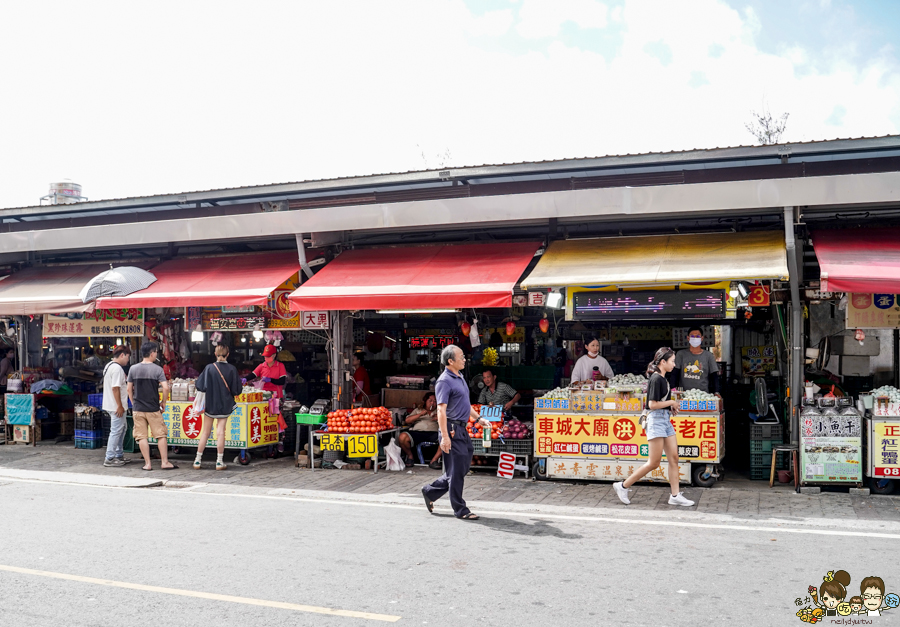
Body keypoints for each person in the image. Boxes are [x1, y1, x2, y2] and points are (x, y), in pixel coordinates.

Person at [613, 347, 694, 507]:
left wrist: (670, 407)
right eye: (672, 361)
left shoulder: (663, 378)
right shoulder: (657, 379)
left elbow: (658, 403)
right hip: (656, 421)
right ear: (663, 362)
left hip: (664, 419)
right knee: (654, 462)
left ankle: (675, 495)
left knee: (674, 458)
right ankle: (623, 486)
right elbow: (652, 404)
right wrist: (671, 402)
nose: (674, 364)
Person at [421, 345, 491, 520]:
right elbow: (441, 411)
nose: (464, 359)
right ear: (450, 361)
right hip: (451, 429)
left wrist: (478, 419)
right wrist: (444, 436)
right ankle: (461, 509)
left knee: (461, 468)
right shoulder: (444, 381)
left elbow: (465, 406)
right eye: (461, 357)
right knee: (457, 470)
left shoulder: (459, 377)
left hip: (462, 428)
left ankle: (429, 491)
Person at [127, 341, 175, 471]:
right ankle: (164, 462)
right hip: (153, 408)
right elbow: (165, 387)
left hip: (138, 408)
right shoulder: (157, 369)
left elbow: (129, 389)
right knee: (160, 435)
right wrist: (163, 402)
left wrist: (133, 402)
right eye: (156, 352)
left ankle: (147, 464)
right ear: (152, 353)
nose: (156, 354)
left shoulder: (133, 368)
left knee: (142, 436)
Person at [194, 344, 242, 471]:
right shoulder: (232, 369)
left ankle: (197, 460)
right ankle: (219, 462)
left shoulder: (209, 368)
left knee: (205, 432)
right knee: (221, 432)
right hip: (225, 405)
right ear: (228, 354)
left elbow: (199, 385)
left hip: (210, 404)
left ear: (215, 354)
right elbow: (237, 390)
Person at [244, 344, 289, 450]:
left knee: (278, 419)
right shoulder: (262, 366)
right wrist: (245, 379)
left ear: (274, 356)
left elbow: (282, 381)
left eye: (268, 356)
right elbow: (253, 375)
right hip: (264, 398)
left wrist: (270, 380)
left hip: (277, 398)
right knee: (265, 420)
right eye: (265, 356)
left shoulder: (280, 366)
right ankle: (265, 440)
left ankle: (280, 441)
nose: (266, 358)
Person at [102, 345, 132, 467]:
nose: (128, 360)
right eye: (127, 357)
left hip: (111, 404)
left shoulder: (108, 366)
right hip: (116, 407)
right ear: (122, 355)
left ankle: (119, 455)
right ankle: (109, 458)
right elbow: (115, 388)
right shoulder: (117, 369)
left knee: (121, 429)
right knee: (116, 431)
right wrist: (119, 406)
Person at [398, 392, 442, 469]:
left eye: (435, 401)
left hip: (434, 433)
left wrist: (440, 418)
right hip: (417, 432)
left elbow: (449, 422)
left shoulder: (440, 411)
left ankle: (434, 460)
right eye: (430, 401)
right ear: (425, 402)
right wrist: (420, 415)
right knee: (402, 437)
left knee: (446, 439)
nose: (433, 403)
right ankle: (410, 456)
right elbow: (407, 420)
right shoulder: (418, 410)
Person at [673, 326, 719, 393]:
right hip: (684, 395)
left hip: (703, 395)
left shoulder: (708, 356)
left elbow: (714, 376)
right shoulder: (681, 354)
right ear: (688, 338)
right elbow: (674, 374)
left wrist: (716, 392)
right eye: (692, 336)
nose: (695, 338)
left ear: (702, 338)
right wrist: (673, 390)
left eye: (697, 336)